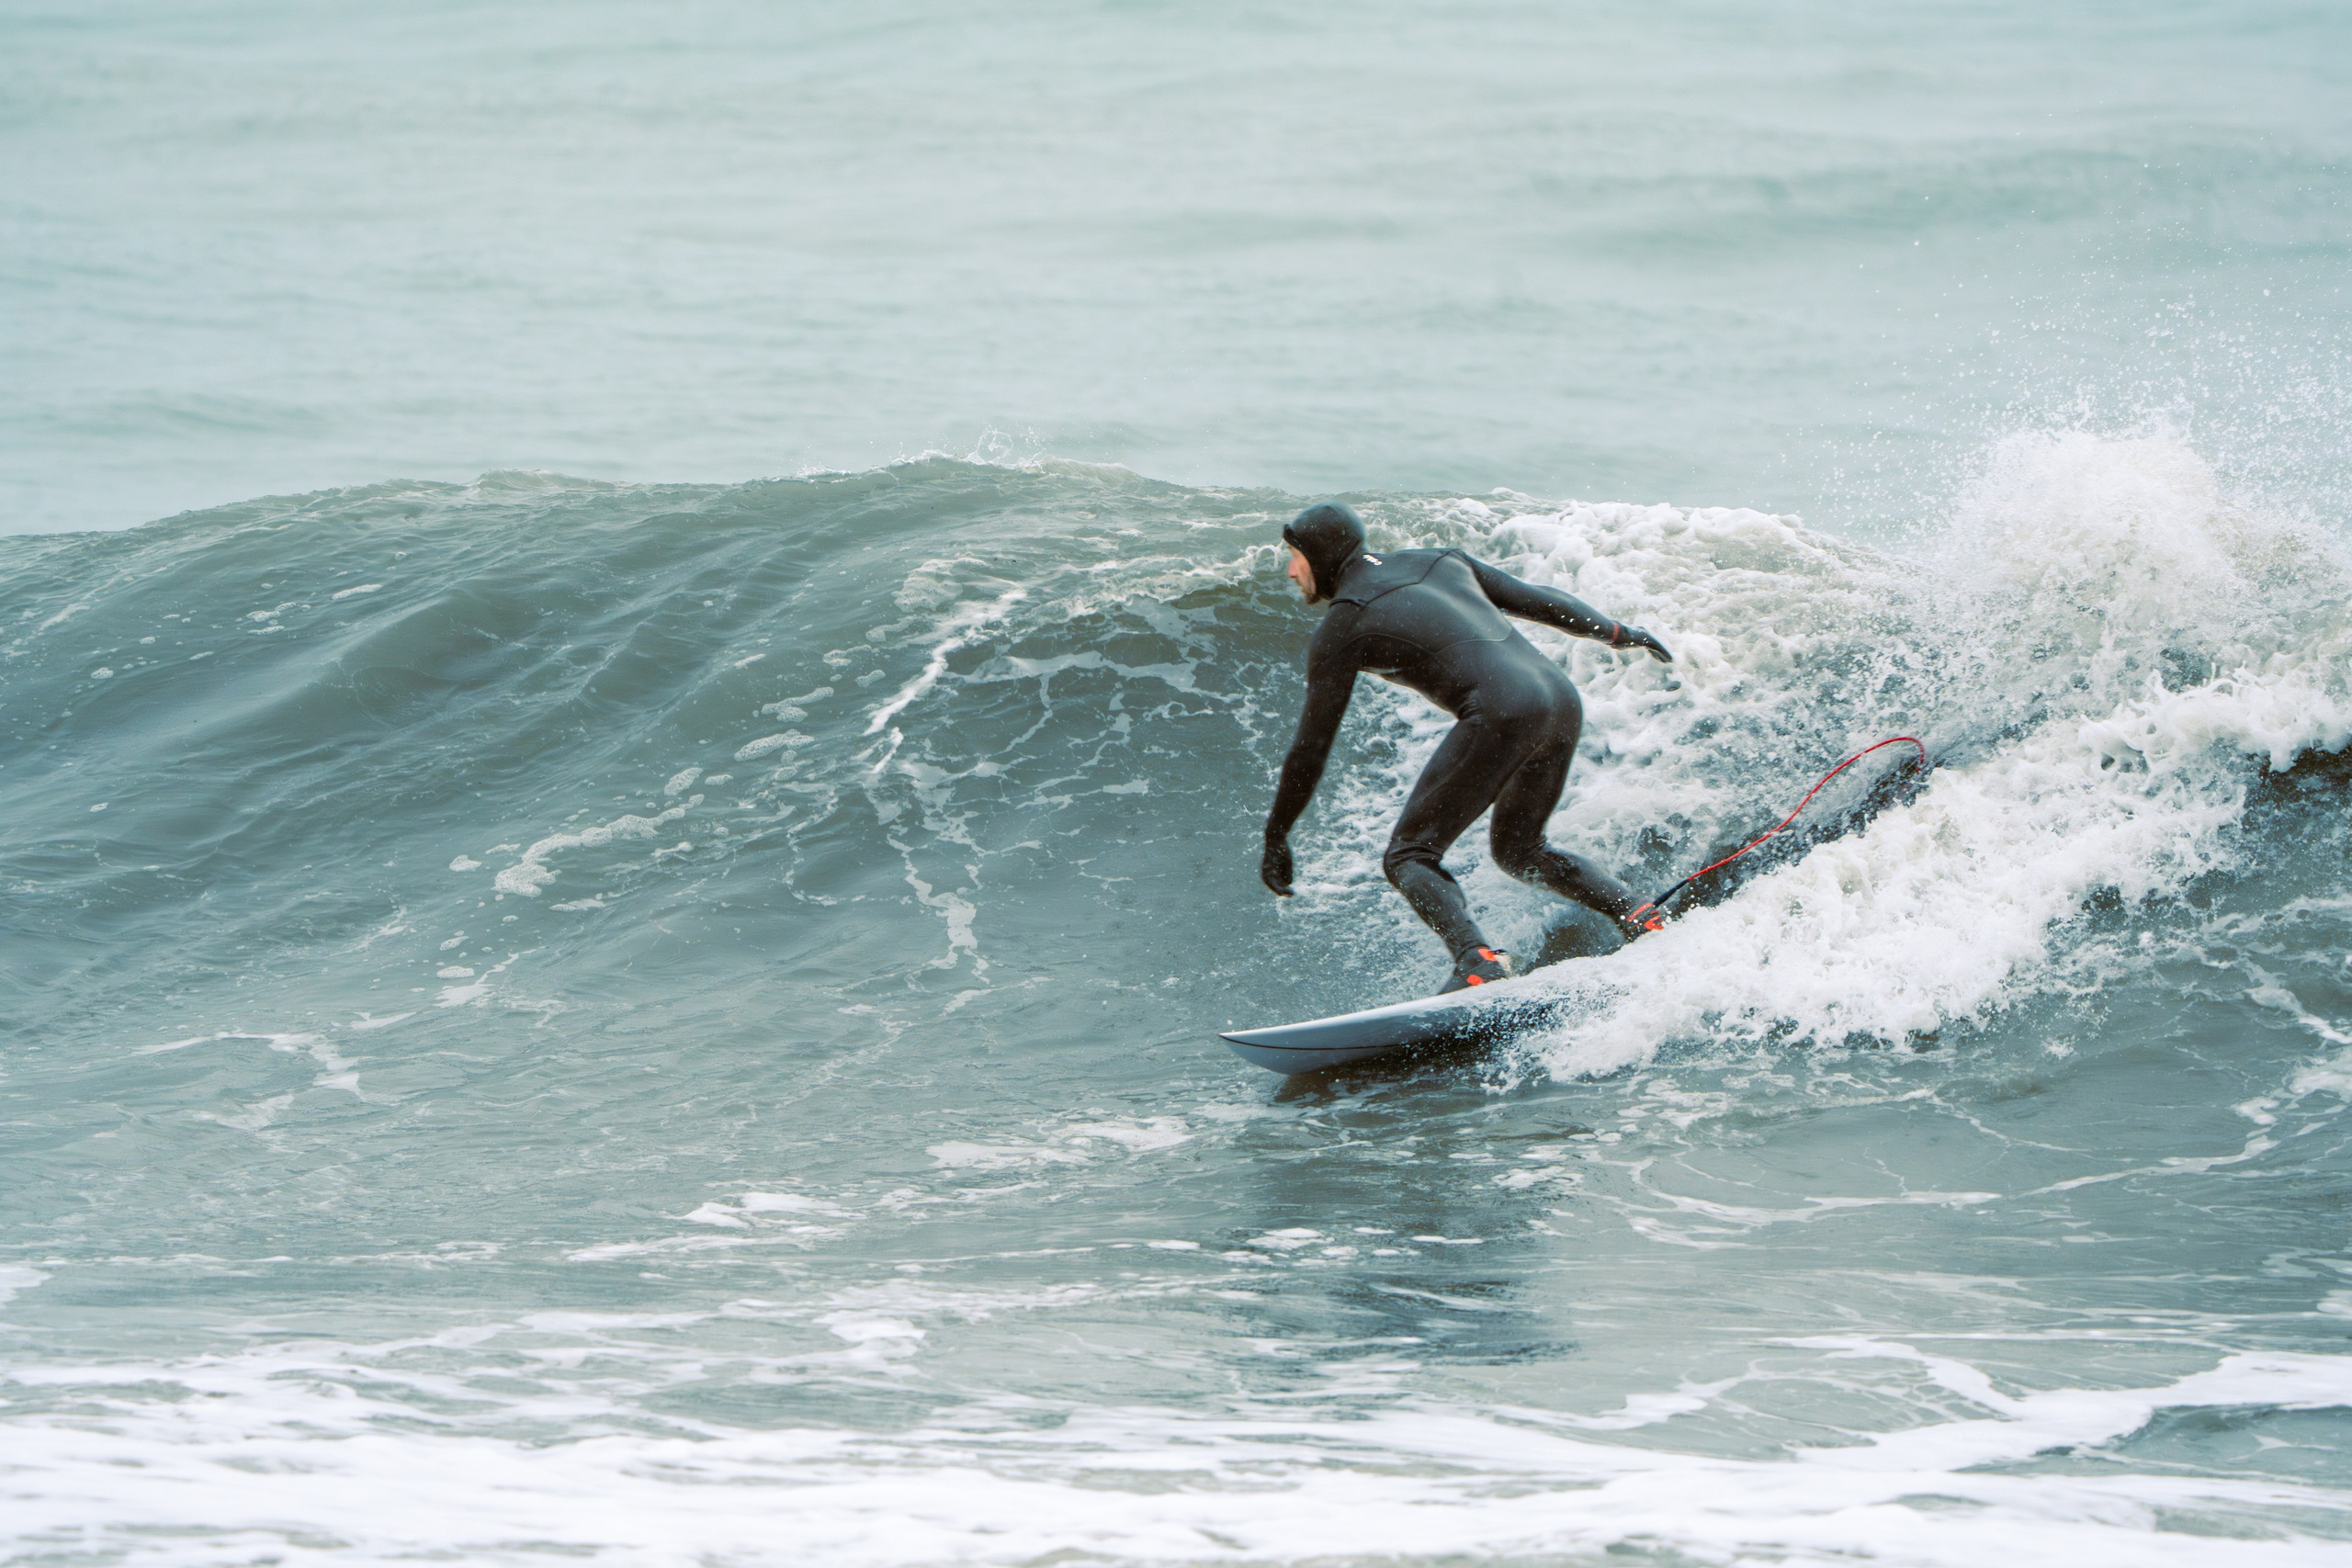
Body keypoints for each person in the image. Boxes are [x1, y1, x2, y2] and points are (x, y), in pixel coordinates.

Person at [1259, 502, 1674, 992]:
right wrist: (1619, 634)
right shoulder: (1438, 560)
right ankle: (1640, 916)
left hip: (1502, 712)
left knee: (1409, 855)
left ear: (1321, 556)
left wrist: (1277, 834)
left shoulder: (1344, 625)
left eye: (1295, 556)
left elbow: (1311, 749)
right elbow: (1540, 601)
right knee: (1520, 850)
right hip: (1560, 700)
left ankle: (1477, 962)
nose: (1290, 571)